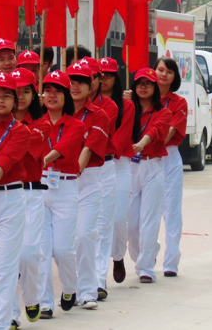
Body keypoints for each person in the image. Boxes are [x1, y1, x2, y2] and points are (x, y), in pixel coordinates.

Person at [0, 72, 31, 330]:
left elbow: (4, 160)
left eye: (7, 95)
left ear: (16, 101)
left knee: (4, 265)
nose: (0, 100)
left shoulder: (22, 131)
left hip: (9, 198)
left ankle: (0, 322)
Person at [38, 70, 85, 319]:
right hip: (41, 187)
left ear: (66, 95)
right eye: (48, 89)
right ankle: (45, 302)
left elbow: (64, 147)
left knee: (63, 249)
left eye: (57, 90)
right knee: (43, 250)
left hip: (65, 188)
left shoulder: (76, 125)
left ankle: (69, 287)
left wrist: (43, 159)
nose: (52, 95)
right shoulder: (36, 123)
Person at [65, 61, 111, 309]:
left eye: (81, 81)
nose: (75, 86)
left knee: (84, 235)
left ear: (91, 85)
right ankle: (68, 288)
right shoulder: (57, 109)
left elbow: (86, 152)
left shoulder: (99, 115)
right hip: (57, 181)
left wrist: (72, 171)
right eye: (70, 81)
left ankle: (87, 290)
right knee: (61, 243)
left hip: (88, 180)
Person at [10, 67, 51, 324]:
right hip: (1, 194)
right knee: (4, 261)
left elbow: (21, 150)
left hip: (31, 194)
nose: (21, 97)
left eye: (27, 91)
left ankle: (32, 296)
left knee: (28, 254)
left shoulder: (42, 123)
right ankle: (9, 315)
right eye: (15, 92)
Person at [125, 68, 171, 283]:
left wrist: (142, 143)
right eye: (139, 83)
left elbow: (156, 130)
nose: (143, 87)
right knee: (131, 224)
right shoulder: (127, 110)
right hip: (131, 168)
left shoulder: (163, 112)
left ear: (155, 88)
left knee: (149, 220)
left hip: (153, 167)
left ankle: (145, 268)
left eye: (148, 83)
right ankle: (145, 254)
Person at [155, 58, 188, 277]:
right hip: (145, 160)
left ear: (175, 76)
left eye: (168, 71)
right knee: (145, 214)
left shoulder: (178, 103)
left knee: (171, 211)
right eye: (159, 70)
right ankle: (148, 254)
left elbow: (168, 133)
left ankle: (171, 261)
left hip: (167, 157)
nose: (163, 75)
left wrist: (149, 143)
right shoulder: (141, 99)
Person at [105, 58, 136, 284]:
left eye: (109, 74)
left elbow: (122, 136)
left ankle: (118, 256)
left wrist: (99, 148)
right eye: (101, 74)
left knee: (118, 217)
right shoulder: (88, 104)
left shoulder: (127, 106)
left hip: (118, 164)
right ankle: (96, 273)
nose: (104, 79)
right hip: (93, 165)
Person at [93, 58, 121, 296]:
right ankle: (80, 280)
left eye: (90, 78)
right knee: (80, 232)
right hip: (72, 173)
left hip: (103, 167)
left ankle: (99, 279)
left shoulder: (109, 106)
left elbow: (91, 135)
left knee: (102, 224)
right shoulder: (66, 104)